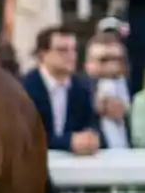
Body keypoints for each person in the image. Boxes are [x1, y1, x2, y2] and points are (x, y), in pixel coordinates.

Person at [21, 25, 100, 154]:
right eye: (62, 50)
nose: (71, 55)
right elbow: (27, 136)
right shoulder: (25, 88)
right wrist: (68, 141)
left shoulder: (81, 87)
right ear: (42, 55)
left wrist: (90, 137)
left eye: (73, 50)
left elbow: (90, 124)